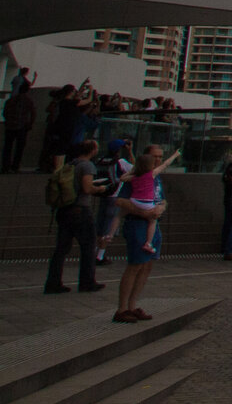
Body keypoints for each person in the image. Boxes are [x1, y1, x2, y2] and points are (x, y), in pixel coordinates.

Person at [44, 138, 106, 294]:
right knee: (88, 247)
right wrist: (99, 189)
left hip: (64, 209)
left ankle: (53, 282)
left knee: (61, 248)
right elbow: (86, 188)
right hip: (80, 210)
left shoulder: (70, 164)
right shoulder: (87, 165)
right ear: (92, 150)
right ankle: (87, 282)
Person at [114, 144, 167, 324]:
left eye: (160, 157)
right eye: (155, 156)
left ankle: (133, 304)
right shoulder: (137, 176)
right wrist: (143, 213)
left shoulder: (156, 178)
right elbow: (120, 201)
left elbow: (162, 198)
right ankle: (122, 308)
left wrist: (161, 207)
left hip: (153, 225)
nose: (158, 160)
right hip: (137, 224)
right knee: (135, 265)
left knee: (147, 266)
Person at [95, 138, 132, 264]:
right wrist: (130, 152)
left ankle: (95, 252)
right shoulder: (120, 162)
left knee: (101, 226)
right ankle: (99, 256)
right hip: (115, 196)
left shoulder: (102, 160)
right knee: (109, 228)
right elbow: (136, 168)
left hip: (103, 195)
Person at [3, 79, 36, 173]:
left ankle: (5, 166)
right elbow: (33, 113)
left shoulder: (11, 100)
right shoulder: (28, 101)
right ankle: (15, 166)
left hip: (10, 126)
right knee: (19, 148)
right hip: (22, 127)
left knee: (8, 147)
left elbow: (5, 112)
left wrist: (8, 120)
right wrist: (30, 124)